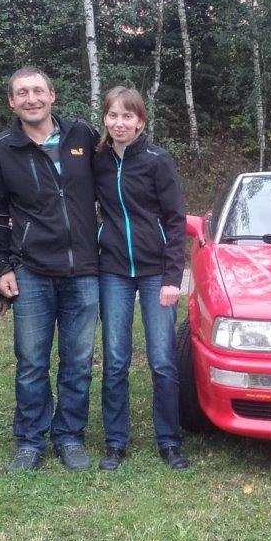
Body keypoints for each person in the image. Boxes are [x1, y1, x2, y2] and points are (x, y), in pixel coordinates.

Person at [0, 66, 101, 473]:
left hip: (85, 269)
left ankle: (70, 437)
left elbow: (114, 183)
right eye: (22, 93)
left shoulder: (82, 135)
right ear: (11, 102)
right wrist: (2, 266)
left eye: (38, 90)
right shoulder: (2, 148)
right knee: (32, 361)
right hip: (31, 269)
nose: (31, 98)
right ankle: (30, 442)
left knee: (78, 360)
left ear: (52, 95)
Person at [93, 86, 189, 471]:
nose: (120, 123)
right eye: (113, 116)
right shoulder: (96, 160)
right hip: (113, 270)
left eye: (127, 116)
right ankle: (115, 441)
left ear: (140, 121)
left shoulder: (156, 160)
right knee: (115, 360)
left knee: (162, 360)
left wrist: (172, 277)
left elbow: (175, 220)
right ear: (105, 119)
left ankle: (169, 440)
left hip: (155, 274)